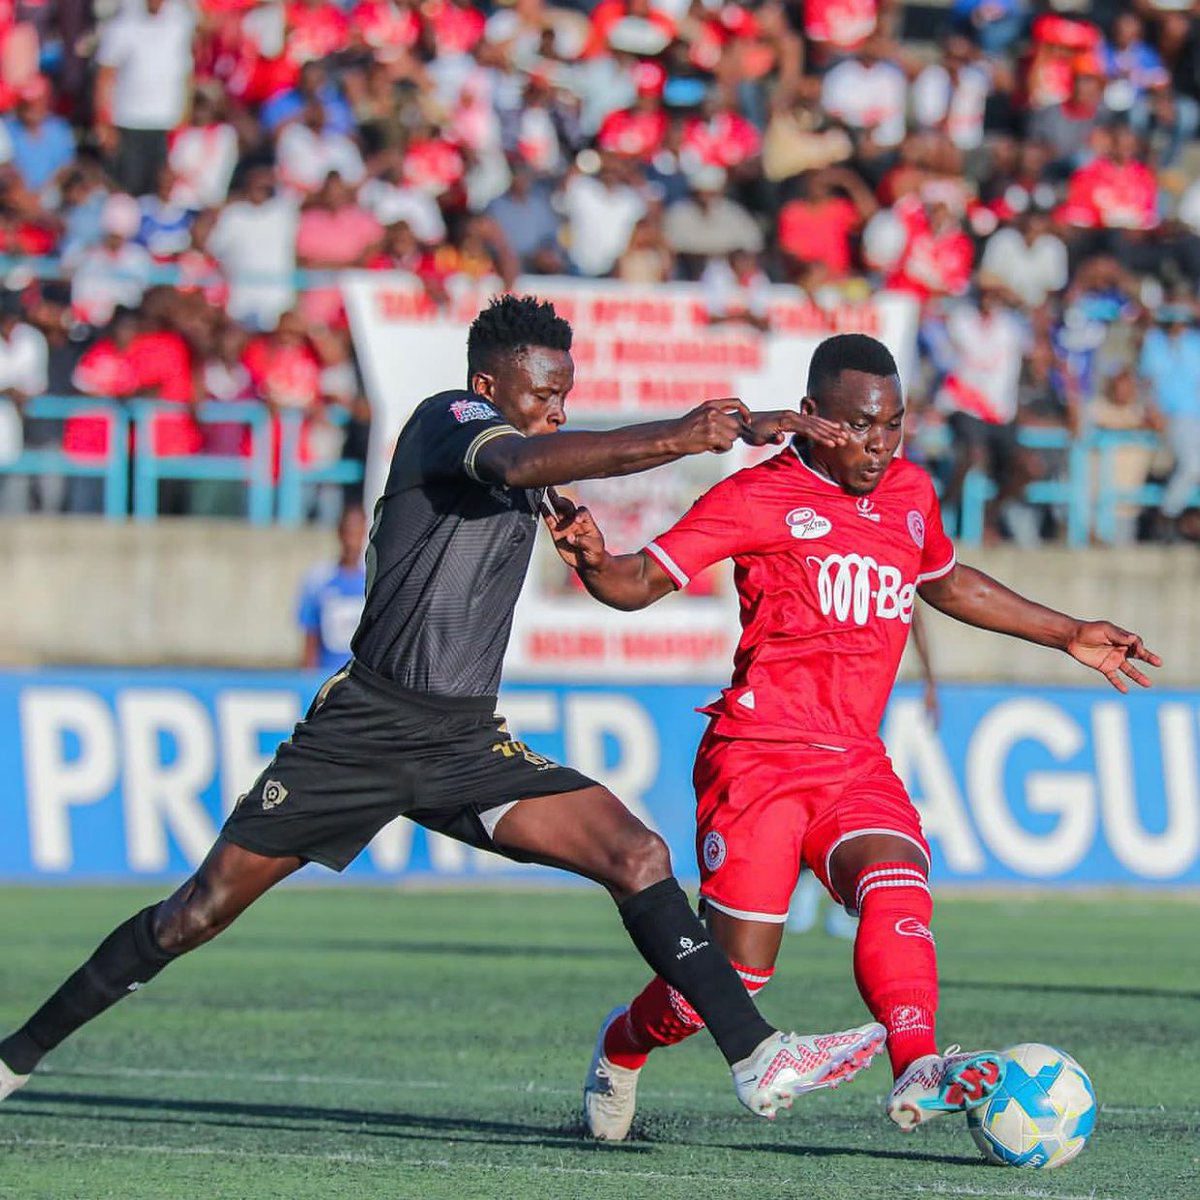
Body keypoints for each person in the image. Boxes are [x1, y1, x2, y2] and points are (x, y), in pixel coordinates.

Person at [0, 296, 884, 1122]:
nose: (556, 413)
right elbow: (520, 460)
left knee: (637, 853)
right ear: (488, 385)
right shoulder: (448, 421)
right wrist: (688, 435)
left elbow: (551, 491)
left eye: (565, 397)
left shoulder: (528, 465)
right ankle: (17, 1055)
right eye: (543, 396)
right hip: (362, 733)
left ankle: (755, 1054)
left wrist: (587, 550)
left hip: (464, 743)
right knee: (193, 914)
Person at [543, 333, 1160, 1140]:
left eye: (893, 424)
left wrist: (1067, 631)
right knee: (734, 978)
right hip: (758, 758)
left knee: (898, 881)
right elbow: (638, 583)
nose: (879, 444)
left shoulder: (909, 491)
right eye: (860, 425)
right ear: (810, 416)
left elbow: (946, 582)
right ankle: (622, 1045)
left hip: (854, 761)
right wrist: (596, 561)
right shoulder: (757, 495)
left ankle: (918, 1065)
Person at [297, 504, 368, 672]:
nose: (351, 541)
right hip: (327, 676)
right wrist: (307, 676)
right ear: (340, 532)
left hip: (360, 678)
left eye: (357, 533)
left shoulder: (372, 581)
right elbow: (310, 636)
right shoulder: (319, 580)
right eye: (348, 532)